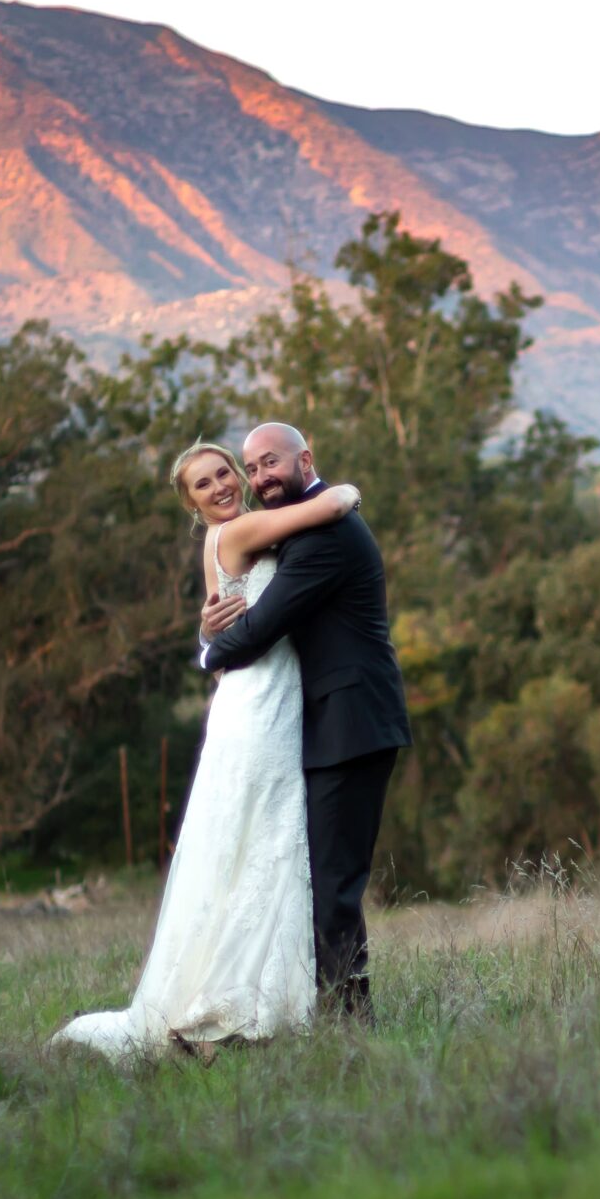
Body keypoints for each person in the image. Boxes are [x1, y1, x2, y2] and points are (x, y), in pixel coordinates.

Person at [50, 439, 361, 1062]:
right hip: (260, 708)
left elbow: (220, 626)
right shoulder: (238, 531)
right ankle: (243, 1005)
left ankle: (259, 999)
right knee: (265, 839)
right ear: (191, 503)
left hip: (259, 697)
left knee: (254, 843)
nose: (221, 486)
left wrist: (204, 635)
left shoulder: (223, 541)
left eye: (226, 473)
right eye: (204, 484)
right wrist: (346, 490)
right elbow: (327, 510)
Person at [199, 421, 411, 1020]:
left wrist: (208, 652)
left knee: (334, 885)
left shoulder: (326, 532)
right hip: (332, 725)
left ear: (304, 459)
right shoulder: (308, 519)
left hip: (351, 726)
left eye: (271, 463)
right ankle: (331, 1009)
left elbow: (262, 627)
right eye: (253, 468)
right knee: (323, 880)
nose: (261, 477)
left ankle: (351, 1022)